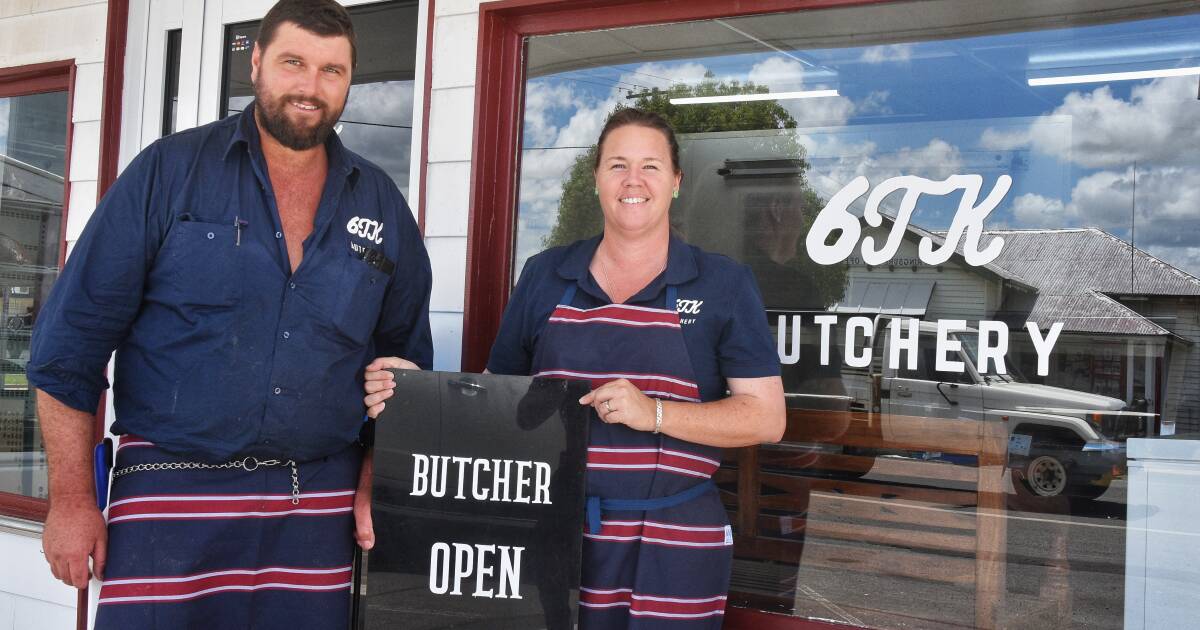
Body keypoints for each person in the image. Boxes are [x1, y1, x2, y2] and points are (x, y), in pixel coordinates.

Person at [26, 1, 432, 627]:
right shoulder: (169, 172)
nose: (311, 86)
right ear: (256, 63)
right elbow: (67, 348)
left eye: (332, 71)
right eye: (294, 62)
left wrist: (375, 478)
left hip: (317, 505)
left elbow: (404, 370)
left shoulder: (380, 202)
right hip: (169, 494)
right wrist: (73, 500)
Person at [366, 108, 785, 628]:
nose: (633, 181)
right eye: (617, 165)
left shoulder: (721, 283)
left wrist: (653, 412)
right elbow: (500, 396)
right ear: (597, 180)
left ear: (676, 182)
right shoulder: (546, 275)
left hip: (674, 541)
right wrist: (414, 393)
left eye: (651, 166)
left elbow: (765, 417)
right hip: (550, 536)